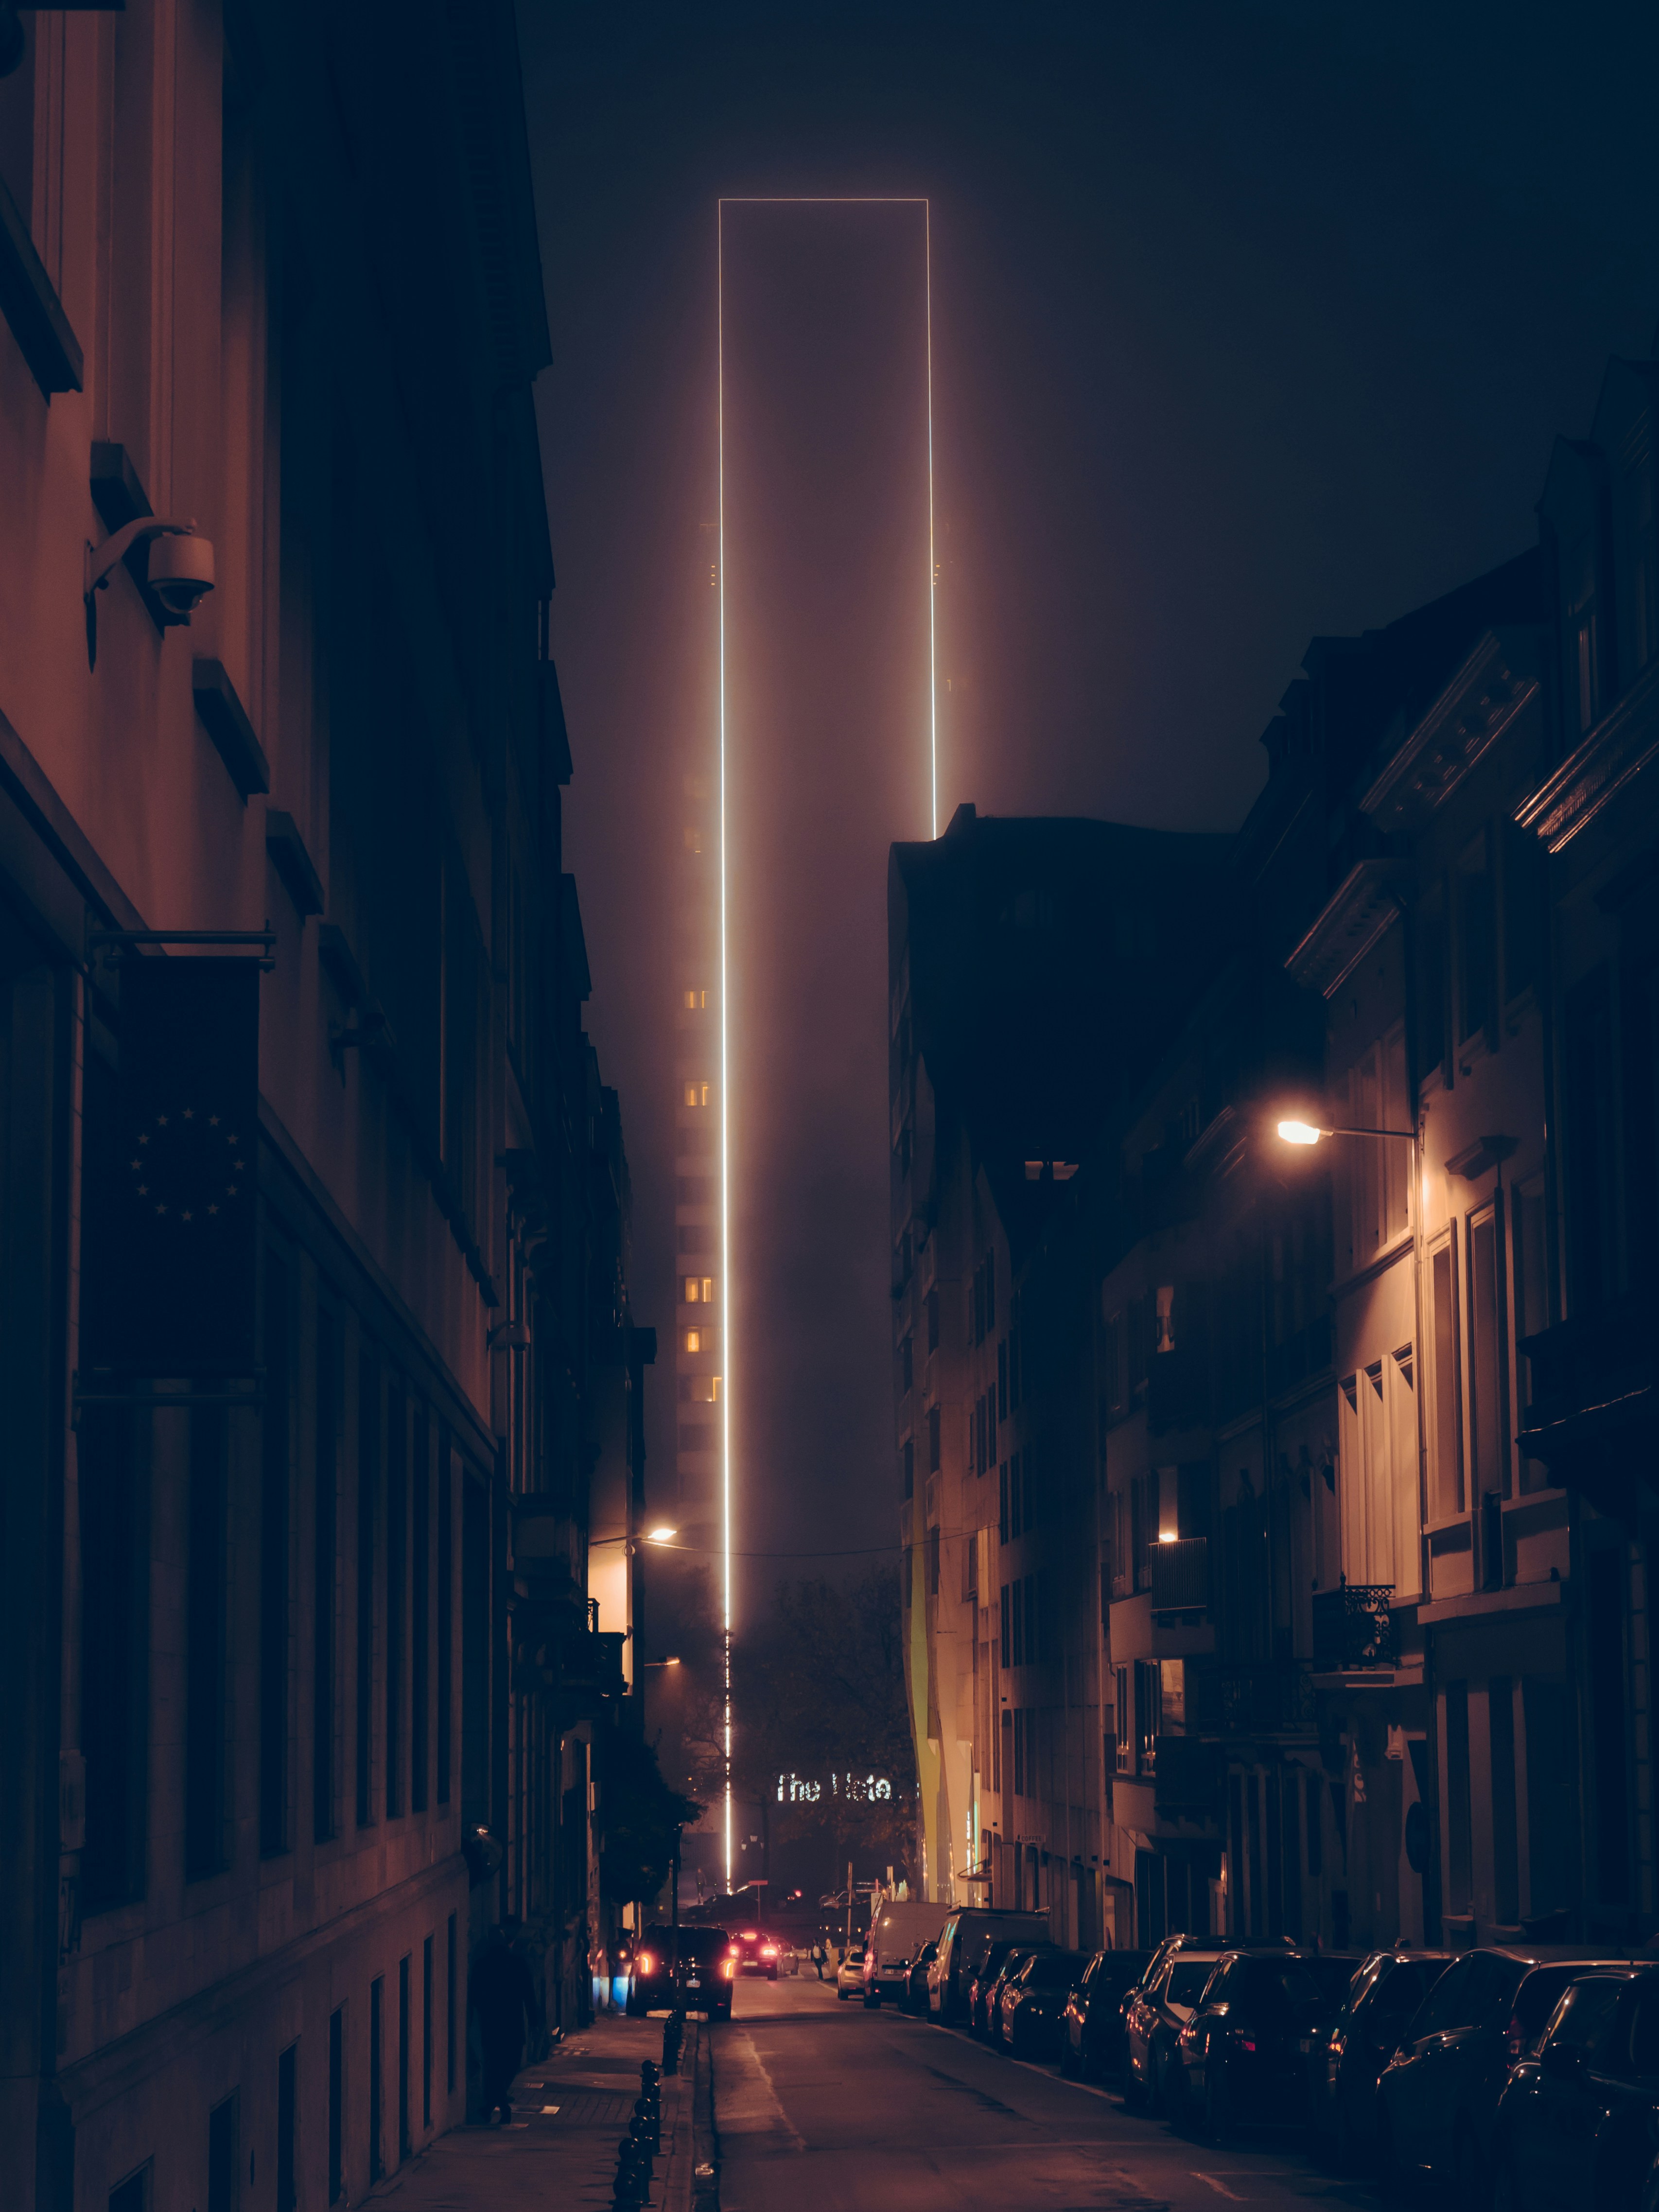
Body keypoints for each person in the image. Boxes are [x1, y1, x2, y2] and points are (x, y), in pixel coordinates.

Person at [471, 1921, 538, 2124]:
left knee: (494, 2068)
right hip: (513, 2025)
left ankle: (491, 2107)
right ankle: (501, 2106)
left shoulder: (482, 1966)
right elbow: (529, 1995)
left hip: (490, 2025)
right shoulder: (518, 1964)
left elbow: (474, 1997)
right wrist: (534, 2021)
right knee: (510, 2066)